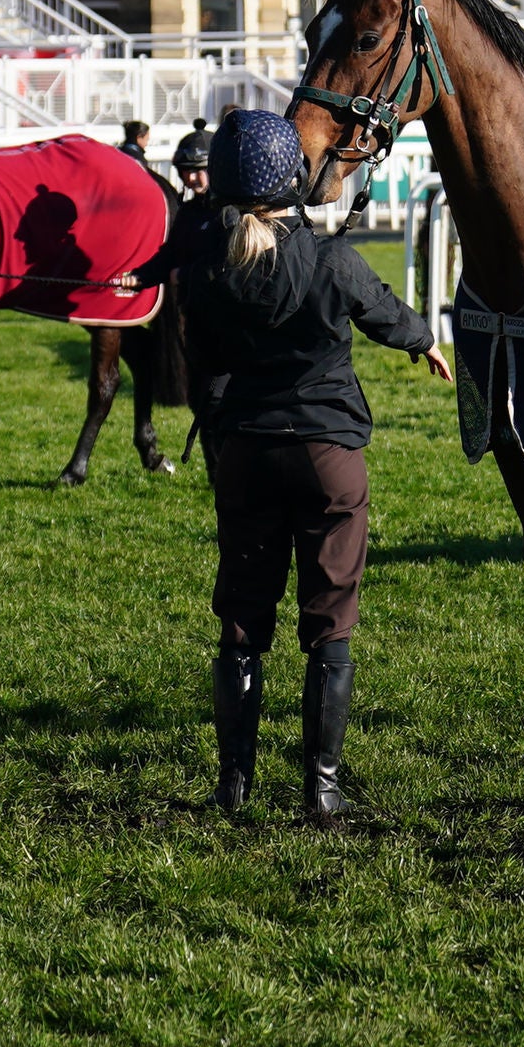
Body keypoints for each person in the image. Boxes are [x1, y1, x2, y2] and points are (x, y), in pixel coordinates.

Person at [175, 108, 448, 819]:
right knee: (330, 623)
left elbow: (198, 369)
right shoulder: (331, 258)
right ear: (293, 177)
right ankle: (321, 788)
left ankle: (233, 783)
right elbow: (386, 312)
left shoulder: (203, 272)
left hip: (243, 453)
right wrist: (423, 341)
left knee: (241, 621)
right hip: (327, 455)